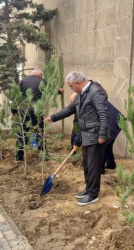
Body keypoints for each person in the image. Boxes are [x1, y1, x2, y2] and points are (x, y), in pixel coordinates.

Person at [45, 71, 109, 206]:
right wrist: (53, 117)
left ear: (78, 83)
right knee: (87, 164)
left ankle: (93, 194)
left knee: (93, 166)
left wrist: (102, 135)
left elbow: (103, 114)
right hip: (86, 134)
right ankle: (88, 189)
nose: (71, 89)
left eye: (71, 86)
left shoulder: (96, 92)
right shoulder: (81, 94)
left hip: (96, 135)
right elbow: (70, 109)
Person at [14, 68, 64, 161]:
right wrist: (59, 91)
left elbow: (16, 96)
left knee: (23, 131)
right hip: (36, 110)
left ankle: (19, 155)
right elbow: (51, 91)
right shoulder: (42, 81)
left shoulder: (22, 81)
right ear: (40, 75)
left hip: (24, 110)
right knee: (39, 131)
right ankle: (43, 154)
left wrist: (14, 111)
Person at [69, 92, 122, 174]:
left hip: (111, 121)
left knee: (100, 146)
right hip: (117, 119)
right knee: (108, 143)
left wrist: (76, 142)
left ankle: (100, 170)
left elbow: (82, 128)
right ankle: (111, 164)